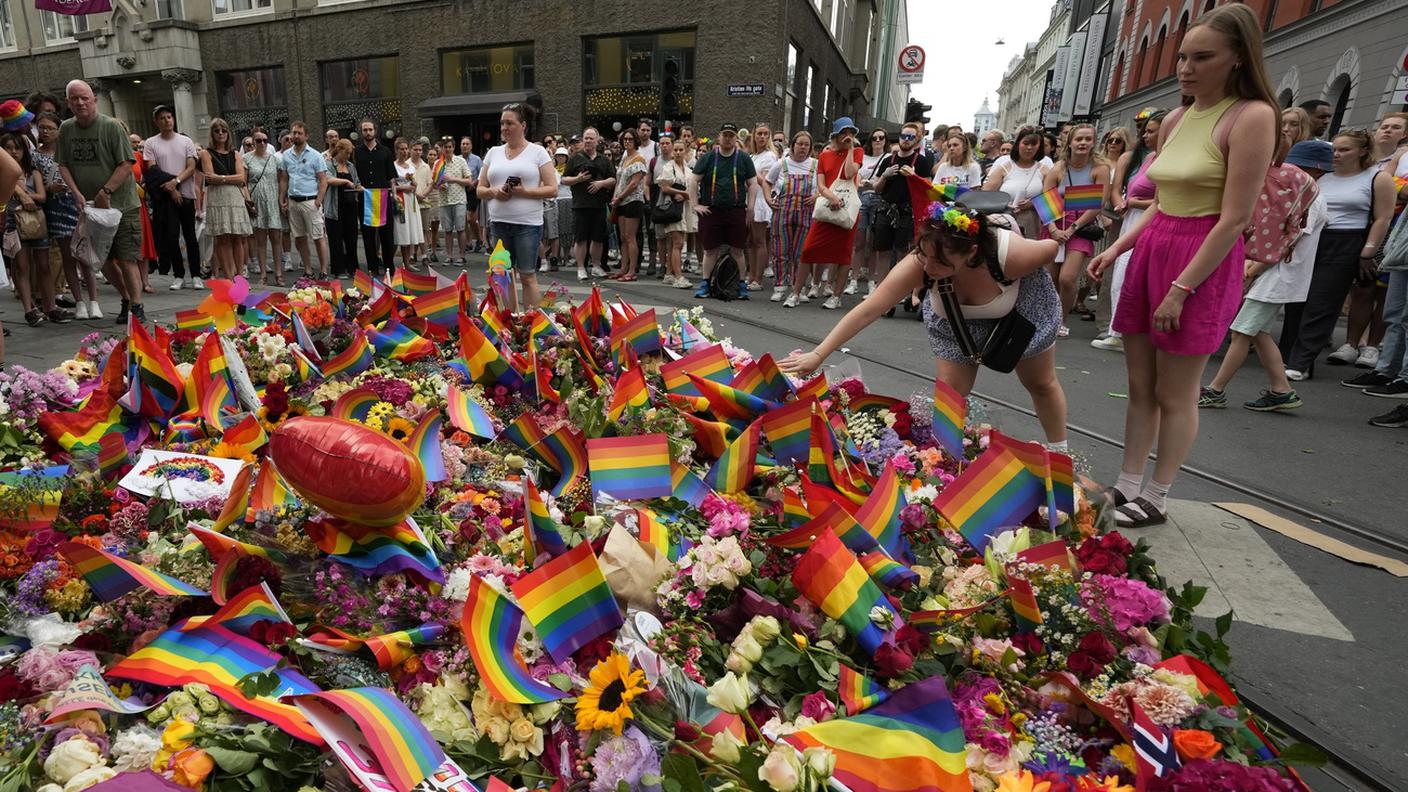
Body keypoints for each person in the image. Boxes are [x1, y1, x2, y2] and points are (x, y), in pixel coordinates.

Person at [1086, 3, 1279, 527]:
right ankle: (1127, 484)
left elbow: (1234, 219)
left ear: (1238, 58)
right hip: (1154, 248)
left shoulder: (1253, 116)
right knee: (1140, 384)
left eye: (1203, 57)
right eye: (1182, 57)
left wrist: (1181, 288)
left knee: (1176, 391)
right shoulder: (1175, 118)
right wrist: (1116, 249)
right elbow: (1165, 204)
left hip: (1200, 258)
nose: (1187, 68)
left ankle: (1158, 493)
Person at [780, 200, 1068, 446]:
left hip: (1019, 307)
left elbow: (1050, 248)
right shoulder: (922, 263)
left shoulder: (1012, 255)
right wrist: (819, 354)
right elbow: (870, 308)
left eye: (941, 262)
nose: (928, 267)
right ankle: (946, 458)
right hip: (955, 321)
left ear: (971, 253)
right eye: (923, 254)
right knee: (950, 394)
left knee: (1040, 383)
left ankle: (1059, 455)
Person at [1200, 139, 1326, 412]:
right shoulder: (1307, 191)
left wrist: (1253, 268)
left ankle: (1215, 390)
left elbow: (1288, 240)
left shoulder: (1308, 196)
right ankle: (1281, 389)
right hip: (1277, 275)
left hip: (1277, 276)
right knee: (1258, 332)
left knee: (1241, 331)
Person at [1282, 128, 1395, 380]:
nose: (1337, 154)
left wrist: (1368, 251)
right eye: (1335, 149)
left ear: (1363, 151)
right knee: (1295, 299)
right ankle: (1286, 357)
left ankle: (1300, 363)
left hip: (1346, 241)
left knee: (1322, 303)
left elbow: (1383, 217)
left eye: (1344, 150)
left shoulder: (1377, 178)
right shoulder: (1323, 176)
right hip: (1310, 238)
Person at [56, 80, 145, 324]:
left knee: (126, 257)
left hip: (122, 205)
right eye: (74, 98)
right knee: (100, 260)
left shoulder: (111, 127)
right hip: (91, 209)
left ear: (94, 99)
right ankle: (126, 298)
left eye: (84, 97)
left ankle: (136, 306)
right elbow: (62, 164)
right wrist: (75, 192)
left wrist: (106, 190)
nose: (80, 102)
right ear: (68, 102)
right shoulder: (66, 129)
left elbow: (127, 163)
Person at [1337, 112, 1408, 368]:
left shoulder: (1400, 157)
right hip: (1369, 225)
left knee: (1384, 291)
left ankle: (1372, 346)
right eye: (1384, 126)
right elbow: (1391, 184)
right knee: (1362, 287)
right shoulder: (1382, 160)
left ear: (1405, 134)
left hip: (1394, 228)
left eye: (1395, 127)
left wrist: (1397, 188)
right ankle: (1351, 343)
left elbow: (1398, 189)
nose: (1387, 131)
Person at [1093, 110, 1164, 351]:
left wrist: (1132, 203)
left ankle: (1129, 332)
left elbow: (1162, 201)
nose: (1144, 134)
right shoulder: (1147, 158)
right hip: (1130, 220)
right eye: (1144, 129)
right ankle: (1116, 330)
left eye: (1151, 130)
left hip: (1151, 222)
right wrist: (1122, 203)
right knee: (1119, 275)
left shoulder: (1167, 161)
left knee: (1137, 276)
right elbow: (1122, 190)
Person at [477, 102, 557, 311]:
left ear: (523, 125)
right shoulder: (493, 152)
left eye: (509, 123)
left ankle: (531, 323)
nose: (504, 127)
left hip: (527, 225)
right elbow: (480, 189)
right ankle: (509, 322)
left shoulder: (538, 152)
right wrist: (495, 192)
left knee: (527, 274)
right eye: (502, 123)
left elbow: (552, 189)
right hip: (499, 224)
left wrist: (524, 192)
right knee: (504, 275)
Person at [1042, 123, 1111, 333]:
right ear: (1070, 142)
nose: (1083, 143)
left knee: (1067, 278)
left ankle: (1060, 321)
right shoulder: (1058, 169)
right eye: (1079, 139)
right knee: (1049, 277)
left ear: (1093, 142)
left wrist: (1072, 228)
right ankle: (1046, 318)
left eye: (1088, 139)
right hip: (1055, 224)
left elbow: (1097, 204)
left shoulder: (1100, 169)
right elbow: (1046, 201)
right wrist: (1054, 230)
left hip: (1081, 226)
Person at [34, 112, 95, 318]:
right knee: (67, 256)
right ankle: (79, 302)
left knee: (84, 255)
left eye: (50, 128)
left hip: (76, 204)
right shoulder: (36, 155)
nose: (45, 132)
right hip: (55, 207)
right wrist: (50, 188)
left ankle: (93, 301)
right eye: (41, 128)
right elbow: (37, 183)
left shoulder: (69, 152)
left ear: (59, 130)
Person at [799, 117, 864, 310]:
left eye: (850, 132)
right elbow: (821, 185)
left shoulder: (858, 151)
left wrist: (851, 149)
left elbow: (851, 173)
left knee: (843, 254)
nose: (847, 136)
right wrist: (832, 198)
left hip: (847, 209)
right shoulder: (825, 156)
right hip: (828, 205)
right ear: (835, 135)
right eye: (843, 132)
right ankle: (798, 291)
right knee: (809, 249)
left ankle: (836, 296)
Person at [2, 132, 65, 326]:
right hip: (13, 221)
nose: (13, 152)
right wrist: (22, 194)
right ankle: (29, 309)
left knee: (43, 265)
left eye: (17, 148)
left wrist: (25, 195)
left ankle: (50, 305)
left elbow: (42, 196)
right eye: (8, 148)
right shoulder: (4, 173)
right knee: (22, 267)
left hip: (37, 221)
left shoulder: (33, 171)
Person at [690, 122, 756, 298]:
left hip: (736, 210)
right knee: (710, 249)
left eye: (731, 135)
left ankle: (741, 284)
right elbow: (693, 180)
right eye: (725, 135)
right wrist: (695, 204)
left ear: (736, 138)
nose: (728, 138)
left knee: (738, 250)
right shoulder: (708, 157)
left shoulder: (743, 158)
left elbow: (753, 184)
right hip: (712, 211)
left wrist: (750, 207)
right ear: (719, 137)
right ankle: (705, 283)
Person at [869, 122, 934, 296]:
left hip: (906, 212)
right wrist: (884, 175)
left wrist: (915, 177)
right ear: (899, 137)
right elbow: (876, 188)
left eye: (910, 137)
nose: (906, 140)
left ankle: (898, 291)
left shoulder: (921, 161)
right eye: (904, 136)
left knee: (902, 252)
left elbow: (928, 188)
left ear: (916, 139)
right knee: (882, 251)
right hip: (885, 210)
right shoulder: (888, 159)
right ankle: (880, 290)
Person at [143, 105, 202, 290]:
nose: (167, 120)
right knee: (171, 236)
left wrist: (176, 181)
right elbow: (153, 169)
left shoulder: (185, 141)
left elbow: (191, 167)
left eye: (169, 117)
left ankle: (196, 274)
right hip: (166, 196)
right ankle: (178, 275)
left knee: (191, 236)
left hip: (186, 194)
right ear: (156, 122)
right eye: (162, 118)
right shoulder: (151, 143)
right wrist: (171, 188)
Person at [199, 118, 252, 281]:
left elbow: (241, 178)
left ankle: (240, 277)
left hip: (235, 198)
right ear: (212, 133)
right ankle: (229, 278)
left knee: (237, 238)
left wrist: (220, 177)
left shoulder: (235, 153)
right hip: (217, 199)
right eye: (217, 130)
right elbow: (209, 177)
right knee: (222, 239)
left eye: (224, 130)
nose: (221, 133)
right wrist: (230, 178)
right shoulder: (205, 153)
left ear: (228, 133)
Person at [768, 131, 818, 307]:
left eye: (806, 145)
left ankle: (799, 287)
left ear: (810, 148)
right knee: (781, 250)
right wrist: (768, 198)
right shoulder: (781, 164)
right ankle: (780, 286)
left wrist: (817, 196)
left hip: (806, 213)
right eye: (800, 144)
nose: (803, 148)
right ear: (793, 145)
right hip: (783, 212)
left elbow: (825, 186)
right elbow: (767, 182)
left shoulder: (815, 165)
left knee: (801, 252)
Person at [277, 121, 331, 280]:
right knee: (299, 238)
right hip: (293, 201)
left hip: (311, 201)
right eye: (294, 132)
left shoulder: (315, 155)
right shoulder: (286, 155)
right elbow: (284, 179)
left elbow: (323, 180)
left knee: (318, 237)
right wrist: (282, 198)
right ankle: (308, 270)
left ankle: (323, 271)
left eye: (299, 133)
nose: (296, 135)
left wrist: (318, 201)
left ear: (306, 136)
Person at [564, 127, 616, 281]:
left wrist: (600, 183)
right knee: (580, 238)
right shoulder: (575, 158)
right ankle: (581, 268)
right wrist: (578, 179)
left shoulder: (604, 160)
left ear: (597, 140)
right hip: (580, 204)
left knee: (598, 238)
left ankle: (596, 266)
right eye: (585, 138)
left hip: (599, 205)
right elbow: (564, 179)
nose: (587, 141)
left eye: (591, 138)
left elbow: (613, 180)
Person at [983, 125, 1049, 239]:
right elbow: (985, 195)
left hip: (1032, 224)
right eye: (1026, 143)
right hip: (1004, 222)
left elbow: (1052, 200)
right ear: (1018, 144)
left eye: (1033, 144)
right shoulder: (1004, 168)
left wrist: (1033, 204)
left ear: (1039, 147)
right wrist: (1004, 205)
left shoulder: (1044, 170)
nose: (1029, 148)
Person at [354, 119, 397, 277]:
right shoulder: (356, 152)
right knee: (368, 235)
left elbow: (391, 177)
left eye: (370, 129)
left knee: (387, 234)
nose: (368, 133)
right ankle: (372, 267)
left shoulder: (385, 151)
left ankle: (389, 267)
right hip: (365, 199)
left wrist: (394, 195)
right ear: (361, 132)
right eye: (365, 130)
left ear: (375, 131)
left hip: (383, 197)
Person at [849, 128, 888, 297]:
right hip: (861, 198)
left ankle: (872, 281)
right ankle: (853, 280)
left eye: (881, 137)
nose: (878, 140)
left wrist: (876, 184)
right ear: (870, 140)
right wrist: (862, 183)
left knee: (874, 244)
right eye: (874, 138)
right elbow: (853, 178)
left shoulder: (888, 158)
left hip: (879, 199)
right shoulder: (862, 157)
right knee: (858, 242)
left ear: (886, 140)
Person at [243, 131, 284, 286]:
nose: (262, 143)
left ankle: (279, 274)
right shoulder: (246, 158)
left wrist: (281, 199)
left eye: (264, 140)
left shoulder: (275, 159)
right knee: (260, 240)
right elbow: (243, 183)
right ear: (253, 142)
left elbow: (281, 180)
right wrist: (248, 201)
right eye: (258, 140)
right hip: (257, 202)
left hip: (272, 201)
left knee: (276, 239)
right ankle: (263, 275)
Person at [608, 129, 648, 281]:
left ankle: (632, 270)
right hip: (620, 201)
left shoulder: (639, 158)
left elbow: (634, 183)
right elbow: (619, 181)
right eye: (625, 139)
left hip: (633, 200)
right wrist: (615, 198)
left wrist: (619, 198)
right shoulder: (624, 158)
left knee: (631, 237)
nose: (627, 142)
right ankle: (623, 269)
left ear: (636, 140)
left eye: (630, 139)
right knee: (623, 237)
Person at [655, 139, 693, 288]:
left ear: (685, 151)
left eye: (680, 150)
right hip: (672, 208)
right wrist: (682, 193)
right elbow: (664, 187)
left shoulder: (688, 169)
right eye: (675, 150)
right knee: (677, 243)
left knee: (674, 244)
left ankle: (669, 274)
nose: (677, 152)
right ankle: (679, 277)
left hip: (684, 208)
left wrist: (685, 194)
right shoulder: (668, 167)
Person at [746, 122, 779, 291]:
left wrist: (750, 172)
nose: (762, 137)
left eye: (766, 134)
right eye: (759, 134)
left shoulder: (770, 156)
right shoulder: (752, 156)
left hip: (761, 200)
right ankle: (751, 275)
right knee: (750, 241)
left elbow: (767, 181)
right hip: (751, 198)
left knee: (760, 241)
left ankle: (758, 279)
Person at [324, 138, 361, 278]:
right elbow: (328, 179)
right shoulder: (329, 164)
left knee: (351, 238)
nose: (349, 156)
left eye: (350, 153)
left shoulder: (351, 166)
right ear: (339, 150)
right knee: (336, 239)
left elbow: (357, 182)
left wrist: (360, 188)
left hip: (350, 206)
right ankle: (338, 269)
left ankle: (352, 267)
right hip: (334, 207)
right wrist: (346, 181)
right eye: (347, 153)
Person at [434, 137, 473, 265]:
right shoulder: (438, 163)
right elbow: (434, 183)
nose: (448, 149)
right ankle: (449, 256)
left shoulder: (461, 161)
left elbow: (469, 181)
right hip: (444, 200)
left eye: (450, 147)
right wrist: (439, 185)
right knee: (447, 230)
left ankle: (462, 256)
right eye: (445, 147)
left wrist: (453, 179)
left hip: (459, 199)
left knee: (461, 229)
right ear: (442, 149)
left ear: (454, 148)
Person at [391, 137, 425, 271]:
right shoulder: (393, 166)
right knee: (400, 230)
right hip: (400, 200)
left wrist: (414, 185)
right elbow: (392, 185)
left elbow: (413, 184)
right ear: (396, 150)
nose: (404, 152)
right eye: (401, 149)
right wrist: (404, 188)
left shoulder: (411, 167)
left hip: (411, 200)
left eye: (406, 149)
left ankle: (407, 262)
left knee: (409, 231)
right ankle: (389, 260)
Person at [460, 137, 485, 253]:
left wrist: (473, 184)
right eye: (463, 144)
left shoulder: (477, 159)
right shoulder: (457, 159)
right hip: (460, 190)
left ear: (471, 146)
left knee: (470, 218)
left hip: (473, 190)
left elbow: (481, 175)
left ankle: (479, 239)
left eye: (467, 144)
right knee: (463, 219)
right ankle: (468, 242)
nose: (465, 146)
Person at [410, 141, 432, 264]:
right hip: (411, 202)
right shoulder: (406, 165)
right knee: (413, 229)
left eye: (420, 150)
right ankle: (412, 254)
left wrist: (423, 194)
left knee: (424, 229)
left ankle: (424, 255)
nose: (418, 152)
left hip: (423, 202)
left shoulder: (426, 166)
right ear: (410, 150)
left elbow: (430, 184)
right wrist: (416, 194)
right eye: (415, 149)